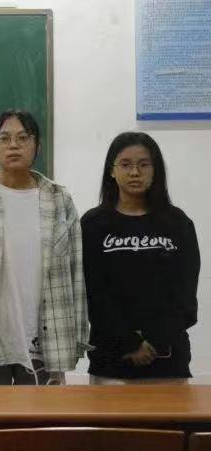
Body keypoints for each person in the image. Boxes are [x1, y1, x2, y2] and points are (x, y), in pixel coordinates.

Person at [0, 109, 87, 386]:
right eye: (5, 138)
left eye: (23, 138)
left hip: (46, 340)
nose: (14, 145)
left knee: (42, 416)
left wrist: (77, 335)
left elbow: (75, 273)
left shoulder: (59, 199)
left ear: (37, 146)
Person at [82, 132, 200, 384]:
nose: (134, 172)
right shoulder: (93, 225)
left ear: (156, 170)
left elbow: (186, 298)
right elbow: (92, 294)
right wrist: (130, 343)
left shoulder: (178, 224)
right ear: (112, 170)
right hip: (110, 362)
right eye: (125, 164)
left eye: (144, 164)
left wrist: (154, 341)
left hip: (168, 361)